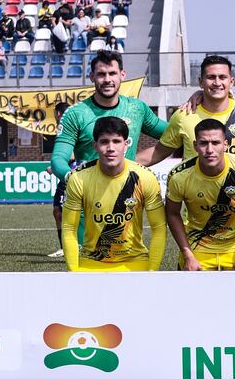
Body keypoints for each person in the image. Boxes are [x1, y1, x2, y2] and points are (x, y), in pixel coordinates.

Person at [62, 116, 166, 272]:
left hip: (135, 261)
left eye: (116, 141)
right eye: (104, 142)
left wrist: (152, 271)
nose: (110, 148)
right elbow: (69, 228)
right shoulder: (78, 178)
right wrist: (73, 271)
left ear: (126, 145)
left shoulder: (145, 177)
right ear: (95, 146)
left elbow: (158, 227)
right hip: (92, 262)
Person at [51, 50, 168, 184]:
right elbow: (58, 159)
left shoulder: (137, 108)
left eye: (112, 73)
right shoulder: (75, 114)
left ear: (122, 75)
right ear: (92, 77)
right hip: (89, 196)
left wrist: (133, 162)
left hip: (128, 196)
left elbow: (174, 133)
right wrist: (74, 181)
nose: (107, 80)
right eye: (101, 74)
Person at [139, 55, 235, 167]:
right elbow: (158, 152)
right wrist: (122, 164)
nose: (217, 83)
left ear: (231, 82)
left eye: (222, 77)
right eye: (211, 77)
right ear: (200, 82)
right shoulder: (183, 115)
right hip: (193, 198)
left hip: (234, 198)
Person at [166, 119, 235, 271]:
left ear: (225, 144)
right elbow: (172, 213)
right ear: (195, 145)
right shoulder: (179, 176)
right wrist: (188, 255)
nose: (209, 149)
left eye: (215, 143)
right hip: (197, 248)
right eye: (204, 143)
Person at [47, 102, 73, 259]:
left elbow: (75, 153)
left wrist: (55, 167)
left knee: (66, 212)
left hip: (72, 176)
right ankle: (65, 248)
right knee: (58, 211)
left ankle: (72, 247)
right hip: (65, 178)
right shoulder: (62, 129)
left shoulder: (69, 125)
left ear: (57, 114)